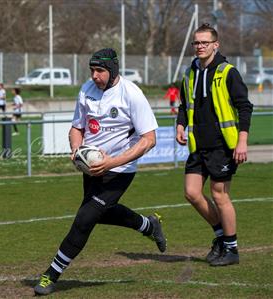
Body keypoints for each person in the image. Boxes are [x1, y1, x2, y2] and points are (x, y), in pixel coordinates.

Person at [34, 48, 166, 296]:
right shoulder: (86, 89)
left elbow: (149, 139)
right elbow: (77, 127)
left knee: (85, 218)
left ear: (113, 70)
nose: (94, 76)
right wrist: (76, 150)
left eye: (100, 71)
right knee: (101, 213)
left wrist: (112, 162)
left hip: (120, 170)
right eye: (92, 70)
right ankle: (149, 226)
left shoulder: (131, 94)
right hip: (92, 168)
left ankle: (50, 274)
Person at [176, 24, 253, 267]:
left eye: (204, 43)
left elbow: (245, 107)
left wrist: (242, 141)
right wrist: (180, 125)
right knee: (191, 193)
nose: (199, 47)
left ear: (215, 45)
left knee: (220, 195)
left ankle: (231, 249)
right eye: (196, 43)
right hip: (198, 145)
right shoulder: (190, 73)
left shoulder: (228, 72)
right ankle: (221, 237)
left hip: (223, 145)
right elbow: (183, 105)